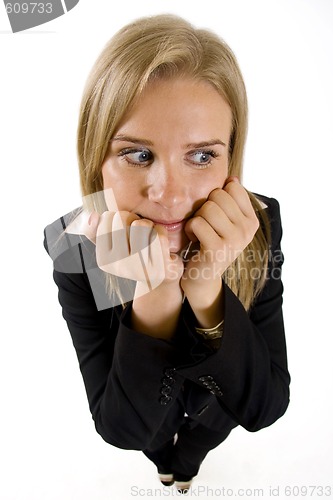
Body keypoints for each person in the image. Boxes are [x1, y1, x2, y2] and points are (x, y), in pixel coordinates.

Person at [44, 14, 290, 494]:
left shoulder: (260, 222)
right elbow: (120, 427)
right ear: (97, 159)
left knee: (194, 447)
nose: (171, 196)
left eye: (202, 155)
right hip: (146, 417)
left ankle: (188, 468)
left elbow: (263, 406)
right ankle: (166, 465)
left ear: (231, 159)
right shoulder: (71, 246)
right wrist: (154, 297)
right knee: (158, 446)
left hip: (215, 411)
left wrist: (206, 289)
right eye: (138, 154)